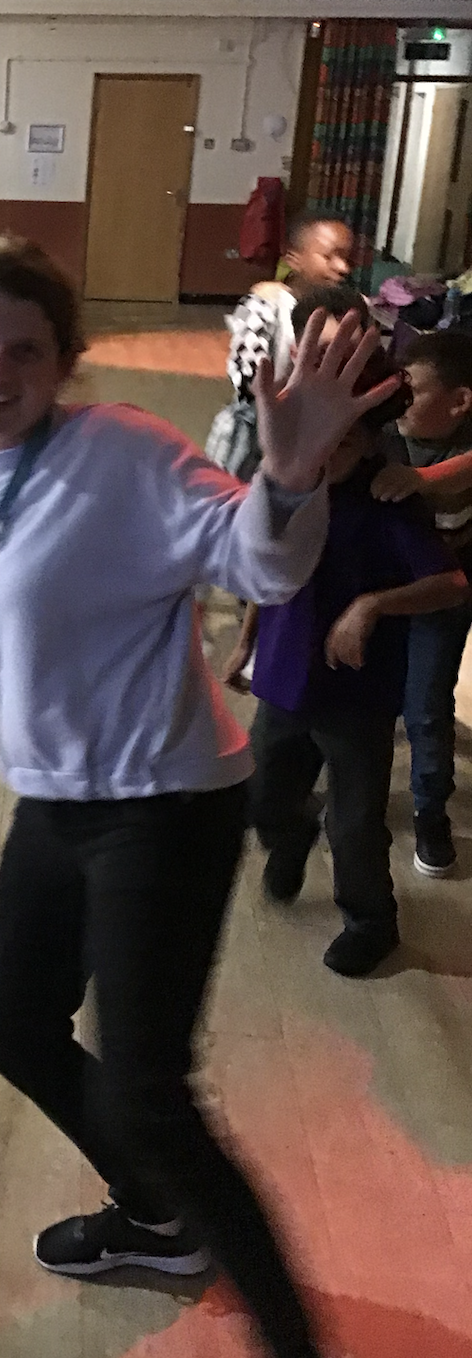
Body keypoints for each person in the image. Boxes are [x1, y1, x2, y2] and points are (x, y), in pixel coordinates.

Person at [0, 237, 403, 1358]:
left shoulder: (123, 456)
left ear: (64, 363)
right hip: (53, 801)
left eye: (24, 350)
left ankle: (292, 1337)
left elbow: (256, 564)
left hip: (164, 806)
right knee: (10, 1023)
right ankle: (155, 1218)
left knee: (151, 1092)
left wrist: (289, 480)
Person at [227, 292, 466, 977]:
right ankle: (292, 835)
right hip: (284, 681)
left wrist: (372, 605)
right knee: (264, 801)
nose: (328, 452)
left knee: (356, 824)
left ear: (367, 443)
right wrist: (246, 640)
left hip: (356, 697)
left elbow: (452, 583)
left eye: (347, 441)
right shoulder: (284, 491)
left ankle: (371, 921)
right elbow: (265, 574)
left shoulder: (385, 501)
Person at [370, 330, 472, 876]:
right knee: (365, 702)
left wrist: (419, 478)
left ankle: (430, 811)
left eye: (414, 389)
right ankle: (355, 797)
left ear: (460, 402)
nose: (401, 398)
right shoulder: (383, 433)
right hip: (379, 593)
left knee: (427, 708)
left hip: (443, 600)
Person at [205, 212, 355, 482]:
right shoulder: (263, 303)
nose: (343, 267)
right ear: (293, 258)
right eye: (328, 256)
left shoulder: (348, 309)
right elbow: (245, 370)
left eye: (348, 258)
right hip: (255, 436)